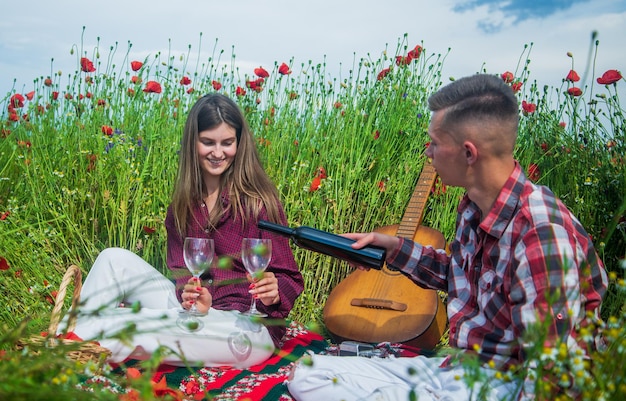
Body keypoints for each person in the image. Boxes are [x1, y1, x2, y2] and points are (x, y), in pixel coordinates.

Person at [286, 74, 608, 400]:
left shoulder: (542, 236)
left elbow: (551, 377)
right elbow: (460, 274)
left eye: (435, 143)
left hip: (503, 385)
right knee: (310, 373)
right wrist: (394, 248)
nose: (428, 153)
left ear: (469, 154)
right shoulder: (474, 207)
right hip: (459, 370)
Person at [64, 93, 304, 368]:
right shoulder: (183, 206)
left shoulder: (259, 202)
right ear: (193, 143)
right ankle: (67, 340)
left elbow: (290, 277)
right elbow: (181, 274)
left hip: (247, 327)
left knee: (130, 324)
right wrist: (192, 295)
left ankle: (65, 352)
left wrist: (274, 291)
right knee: (112, 258)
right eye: (208, 142)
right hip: (200, 315)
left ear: (239, 143)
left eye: (227, 143)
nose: (217, 152)